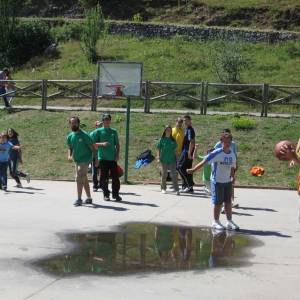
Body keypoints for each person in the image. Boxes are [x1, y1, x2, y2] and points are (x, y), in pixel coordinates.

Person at [187, 132, 239, 231]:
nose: (227, 144)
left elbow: (233, 167)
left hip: (227, 181)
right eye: (225, 142)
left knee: (228, 202)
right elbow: (204, 161)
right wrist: (193, 170)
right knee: (218, 203)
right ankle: (215, 221)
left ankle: (229, 221)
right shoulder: (217, 152)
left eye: (229, 142)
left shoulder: (232, 153)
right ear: (221, 142)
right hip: (217, 181)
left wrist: (232, 177)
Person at [91, 113, 121, 202]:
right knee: (104, 178)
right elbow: (92, 143)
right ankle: (106, 195)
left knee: (115, 178)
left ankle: (116, 195)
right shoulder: (98, 131)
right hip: (102, 158)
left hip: (112, 159)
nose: (106, 121)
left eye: (108, 119)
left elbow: (118, 145)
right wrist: (102, 144)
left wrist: (117, 155)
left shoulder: (114, 132)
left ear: (110, 121)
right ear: (103, 121)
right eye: (105, 120)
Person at [66, 116, 94, 206]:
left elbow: (93, 148)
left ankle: (79, 199)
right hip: (77, 160)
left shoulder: (84, 135)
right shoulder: (70, 136)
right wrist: (69, 155)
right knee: (83, 178)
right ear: (69, 124)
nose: (73, 124)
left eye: (75, 123)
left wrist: (96, 160)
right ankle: (89, 198)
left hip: (86, 159)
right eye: (72, 123)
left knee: (79, 178)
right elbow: (70, 147)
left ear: (78, 123)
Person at [215, 128, 238, 210]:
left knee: (231, 183)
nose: (227, 142)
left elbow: (235, 155)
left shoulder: (233, 144)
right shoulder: (218, 144)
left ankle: (231, 201)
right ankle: (221, 204)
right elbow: (213, 155)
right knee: (221, 187)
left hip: (230, 166)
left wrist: (235, 165)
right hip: (220, 169)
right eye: (225, 135)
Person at [156, 125, 180, 195]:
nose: (168, 131)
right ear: (165, 131)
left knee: (174, 174)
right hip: (163, 159)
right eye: (167, 130)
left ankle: (176, 189)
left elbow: (175, 150)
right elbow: (158, 149)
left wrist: (177, 159)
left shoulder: (173, 140)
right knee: (164, 174)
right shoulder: (162, 139)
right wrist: (158, 157)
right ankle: (163, 188)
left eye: (169, 130)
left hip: (172, 159)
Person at [177, 115, 196, 193]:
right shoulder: (187, 129)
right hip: (185, 151)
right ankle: (189, 187)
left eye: (186, 120)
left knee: (180, 167)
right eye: (184, 120)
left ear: (190, 120)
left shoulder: (190, 130)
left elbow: (192, 141)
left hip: (187, 151)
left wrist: (189, 152)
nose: (184, 122)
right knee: (187, 168)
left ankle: (189, 184)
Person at [90, 120, 103, 192]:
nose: (100, 126)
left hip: (102, 155)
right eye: (98, 125)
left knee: (102, 172)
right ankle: (95, 185)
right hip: (94, 155)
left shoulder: (103, 133)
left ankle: (101, 185)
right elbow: (90, 144)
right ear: (95, 126)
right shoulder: (92, 134)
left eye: (101, 125)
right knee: (94, 172)